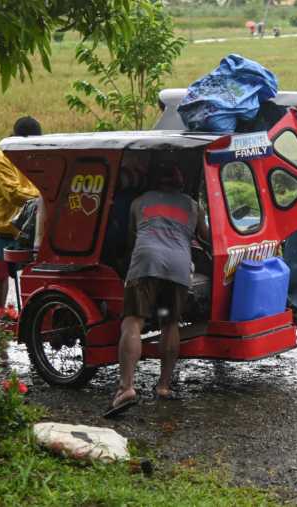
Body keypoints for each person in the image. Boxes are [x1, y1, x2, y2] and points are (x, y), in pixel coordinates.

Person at [106, 161, 209, 417]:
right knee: (169, 322)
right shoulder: (193, 206)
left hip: (146, 263)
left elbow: (132, 238)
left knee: (133, 322)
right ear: (180, 183)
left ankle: (126, 387)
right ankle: (163, 385)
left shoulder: (140, 202)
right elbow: (205, 237)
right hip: (178, 268)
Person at [0, 116, 41, 322]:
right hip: (2, 224)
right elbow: (14, 193)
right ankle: (0, 313)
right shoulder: (0, 159)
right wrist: (45, 196)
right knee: (0, 273)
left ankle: (28, 311)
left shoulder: (30, 155)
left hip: (25, 225)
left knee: (29, 269)